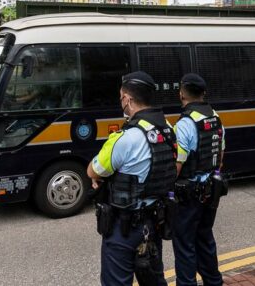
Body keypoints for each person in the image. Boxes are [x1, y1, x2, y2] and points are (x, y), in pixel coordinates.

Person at [87, 71, 177, 286]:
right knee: (155, 280)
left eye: (121, 98)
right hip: (155, 222)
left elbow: (93, 171)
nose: (121, 102)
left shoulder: (126, 138)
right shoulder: (169, 130)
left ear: (127, 99)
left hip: (124, 227)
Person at [172, 73, 225, 286]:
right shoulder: (216, 118)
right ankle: (214, 281)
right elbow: (220, 158)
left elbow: (177, 166)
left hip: (189, 194)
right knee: (205, 238)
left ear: (182, 94)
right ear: (203, 93)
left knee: (185, 244)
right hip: (211, 189)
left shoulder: (184, 124)